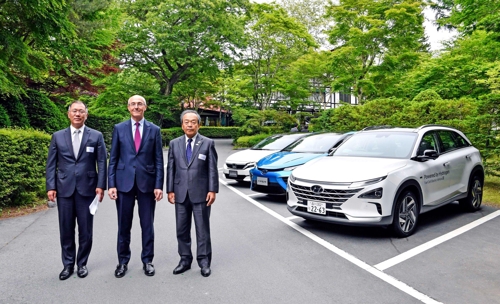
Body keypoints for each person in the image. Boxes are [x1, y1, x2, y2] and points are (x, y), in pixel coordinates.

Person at [46, 101, 107, 280]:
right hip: (64, 188)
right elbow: (51, 164)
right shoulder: (58, 136)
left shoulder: (96, 136)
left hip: (87, 189)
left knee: (86, 230)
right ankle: (67, 265)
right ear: (68, 114)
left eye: (81, 111)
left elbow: (102, 163)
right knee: (66, 229)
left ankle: (82, 264)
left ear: (86, 115)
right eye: (75, 111)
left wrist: (101, 185)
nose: (78, 114)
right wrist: (50, 186)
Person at [107, 95, 164, 278]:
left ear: (145, 107)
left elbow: (158, 160)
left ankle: (147, 260)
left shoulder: (154, 130)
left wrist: (158, 185)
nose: (136, 107)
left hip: (147, 184)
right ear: (128, 107)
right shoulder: (119, 128)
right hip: (124, 184)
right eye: (133, 104)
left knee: (147, 225)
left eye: (140, 104)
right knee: (124, 225)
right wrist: (111, 184)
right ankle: (122, 262)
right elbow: (113, 159)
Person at [167, 110, 219, 277]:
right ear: (182, 125)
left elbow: (212, 169)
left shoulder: (207, 143)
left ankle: (204, 261)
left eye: (193, 122)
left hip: (201, 194)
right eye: (186, 122)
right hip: (180, 193)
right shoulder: (174, 143)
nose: (190, 124)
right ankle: (184, 259)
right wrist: (170, 190)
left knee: (202, 229)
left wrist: (213, 190)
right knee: (181, 229)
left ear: (199, 124)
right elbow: (171, 169)